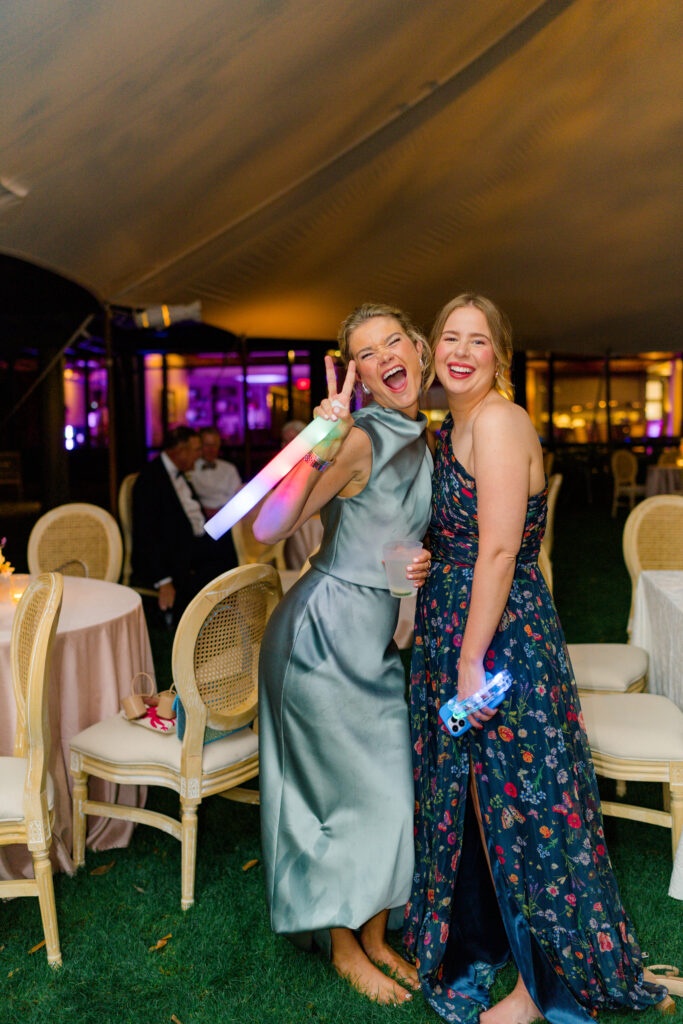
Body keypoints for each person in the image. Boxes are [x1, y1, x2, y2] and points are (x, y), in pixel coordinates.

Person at [403, 294, 668, 1023]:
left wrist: (468, 664)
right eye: (448, 337)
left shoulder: (497, 420)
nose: (460, 350)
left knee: (526, 807)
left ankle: (537, 987)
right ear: (432, 350)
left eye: (476, 340)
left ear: (499, 357)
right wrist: (426, 566)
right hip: (456, 628)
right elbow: (464, 537)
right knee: (476, 801)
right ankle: (487, 943)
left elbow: (496, 549)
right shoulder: (449, 426)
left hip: (496, 641)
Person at [255, 304, 433, 1005]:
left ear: (417, 350)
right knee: (334, 797)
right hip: (320, 639)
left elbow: (386, 536)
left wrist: (408, 575)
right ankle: (343, 946)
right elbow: (269, 527)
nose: (385, 354)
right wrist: (318, 439)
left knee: (391, 790)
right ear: (355, 374)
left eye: (394, 340)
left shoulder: (425, 439)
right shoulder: (356, 438)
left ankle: (377, 932)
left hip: (372, 640)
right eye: (366, 351)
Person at [132, 425, 237, 622]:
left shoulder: (180, 473)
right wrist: (164, 581)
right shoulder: (150, 479)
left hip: (194, 541)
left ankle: (224, 612)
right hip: (173, 554)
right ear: (180, 451)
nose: (200, 455)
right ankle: (208, 617)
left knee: (233, 543)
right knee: (224, 558)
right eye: (197, 449)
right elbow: (146, 535)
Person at [278, 420, 324, 569]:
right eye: (285, 441)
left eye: (292, 440)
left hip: (317, 522)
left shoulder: (317, 459)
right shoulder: (282, 465)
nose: (287, 446)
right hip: (295, 520)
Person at [190, 426, 242, 518]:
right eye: (206, 445)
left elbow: (237, 496)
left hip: (229, 516)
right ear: (199, 446)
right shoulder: (190, 469)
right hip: (201, 517)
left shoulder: (229, 468)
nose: (211, 449)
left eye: (214, 445)